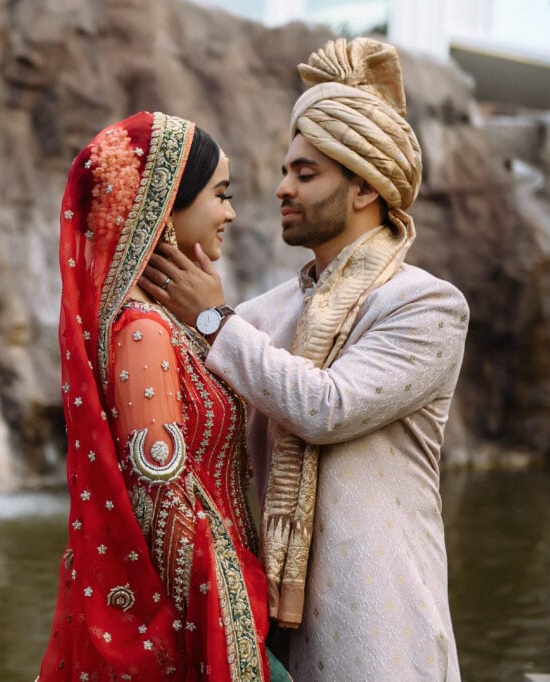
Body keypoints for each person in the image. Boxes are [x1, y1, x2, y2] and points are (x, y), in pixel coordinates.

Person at [141, 38, 468, 681]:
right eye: (286, 169)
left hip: (379, 626)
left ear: (365, 188)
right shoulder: (259, 315)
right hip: (266, 628)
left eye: (306, 173)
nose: (282, 189)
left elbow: (327, 407)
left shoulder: (427, 305)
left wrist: (211, 319)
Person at [37, 111, 290, 680]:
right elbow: (163, 499)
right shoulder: (144, 330)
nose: (230, 212)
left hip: (221, 594)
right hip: (200, 616)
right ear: (168, 208)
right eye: (220, 195)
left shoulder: (173, 327)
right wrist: (232, 627)